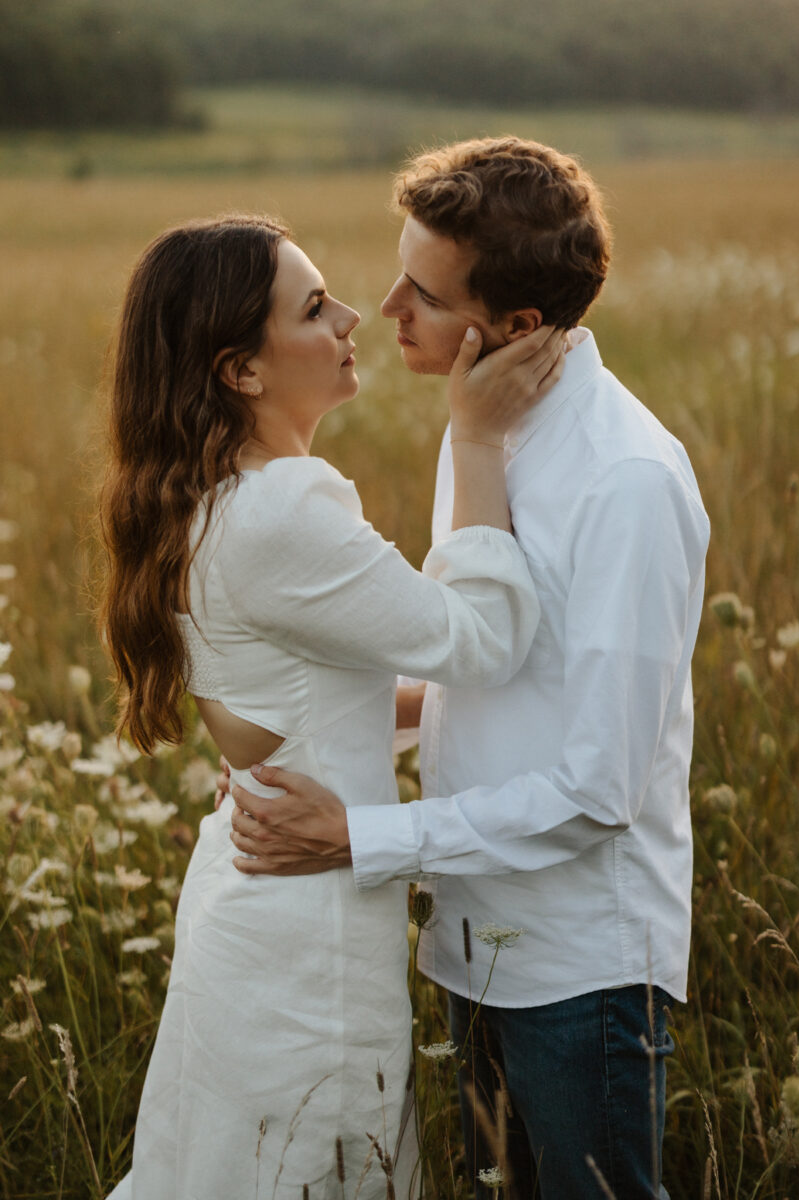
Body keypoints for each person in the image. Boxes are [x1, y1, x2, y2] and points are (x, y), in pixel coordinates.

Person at [226, 138, 711, 1199]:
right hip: (469, 937)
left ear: (517, 328)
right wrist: (313, 723)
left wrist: (362, 838)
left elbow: (597, 791)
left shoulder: (624, 482)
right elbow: (488, 666)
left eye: (425, 294)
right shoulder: (479, 424)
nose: (384, 307)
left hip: (575, 967)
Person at [100, 212, 565, 1200]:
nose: (354, 315)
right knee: (314, 1167)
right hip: (301, 936)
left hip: (250, 901)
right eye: (314, 308)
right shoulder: (286, 509)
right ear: (243, 371)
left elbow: (309, 709)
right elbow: (480, 641)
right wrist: (474, 439)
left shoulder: (217, 495)